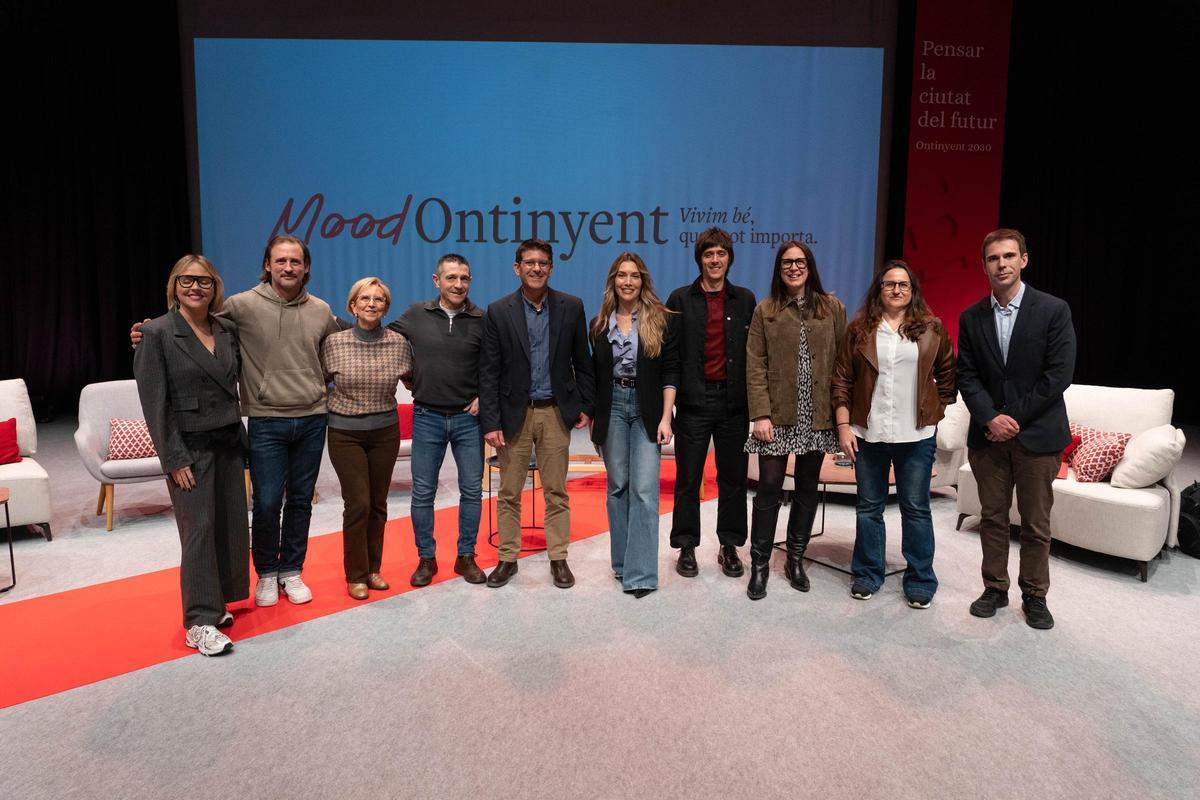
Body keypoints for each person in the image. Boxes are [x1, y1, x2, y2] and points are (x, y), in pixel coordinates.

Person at [132, 235, 341, 606]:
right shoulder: (241, 306)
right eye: (280, 261)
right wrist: (149, 332)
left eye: (295, 261)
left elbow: (338, 350)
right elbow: (192, 325)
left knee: (301, 502)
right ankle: (267, 572)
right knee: (265, 503)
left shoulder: (322, 311)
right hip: (265, 420)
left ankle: (292, 570)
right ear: (267, 265)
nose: (288, 267)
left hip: (311, 419)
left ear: (306, 267)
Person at [957, 228, 1075, 630]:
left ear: (1024, 259)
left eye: (1009, 256)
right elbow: (967, 375)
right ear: (984, 265)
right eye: (993, 258)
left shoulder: (1053, 310)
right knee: (992, 518)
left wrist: (1014, 419)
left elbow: (1058, 375)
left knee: (1036, 523)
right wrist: (991, 417)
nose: (1001, 264)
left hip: (1037, 438)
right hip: (988, 438)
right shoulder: (971, 317)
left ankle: (1035, 595)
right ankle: (994, 588)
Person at [133, 255, 247, 656]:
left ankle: (217, 604)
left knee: (229, 524)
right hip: (189, 449)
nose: (195, 288)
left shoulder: (227, 329)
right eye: (187, 281)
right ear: (174, 285)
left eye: (203, 281)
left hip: (228, 442)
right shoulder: (156, 333)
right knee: (197, 531)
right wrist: (173, 458)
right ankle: (198, 620)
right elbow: (155, 403)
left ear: (215, 287)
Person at [832, 260, 956, 608]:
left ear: (912, 291)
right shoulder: (859, 331)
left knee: (915, 509)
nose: (896, 289)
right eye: (889, 284)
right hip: (868, 434)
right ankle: (868, 573)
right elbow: (841, 380)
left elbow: (948, 377)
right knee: (868, 509)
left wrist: (935, 410)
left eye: (903, 284)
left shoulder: (932, 329)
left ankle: (919, 578)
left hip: (916, 437)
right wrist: (844, 426)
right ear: (879, 290)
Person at [479, 239, 595, 589]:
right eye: (529, 262)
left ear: (551, 268)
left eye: (543, 262)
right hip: (514, 415)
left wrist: (586, 406)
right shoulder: (499, 311)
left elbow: (583, 363)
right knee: (509, 492)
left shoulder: (571, 307)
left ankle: (558, 558)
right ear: (517, 268)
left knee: (556, 491)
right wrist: (491, 421)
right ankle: (508, 559)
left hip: (554, 413)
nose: (536, 268)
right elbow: (489, 371)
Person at [743, 241, 846, 600]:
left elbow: (843, 363)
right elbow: (755, 364)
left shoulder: (832, 308)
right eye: (787, 262)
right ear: (778, 268)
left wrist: (842, 415)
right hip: (778, 414)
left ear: (809, 265)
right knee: (770, 485)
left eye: (800, 261)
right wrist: (760, 413)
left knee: (806, 486)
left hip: (818, 414)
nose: (794, 267)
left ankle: (796, 558)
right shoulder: (765, 309)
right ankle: (759, 564)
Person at [388, 254, 487, 586]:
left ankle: (466, 557)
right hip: (427, 416)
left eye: (464, 278)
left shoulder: (481, 319)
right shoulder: (417, 314)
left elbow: (496, 365)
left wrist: (484, 397)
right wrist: (406, 373)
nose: (458, 284)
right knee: (423, 493)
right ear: (436, 280)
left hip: (468, 420)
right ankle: (426, 559)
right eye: (451, 278)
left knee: (472, 491)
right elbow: (385, 341)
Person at [664, 227, 756, 579]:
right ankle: (686, 546)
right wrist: (668, 410)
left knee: (732, 478)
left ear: (729, 258)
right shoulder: (680, 299)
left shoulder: (745, 300)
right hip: (692, 405)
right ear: (699, 259)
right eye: (708, 254)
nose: (715, 260)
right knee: (688, 478)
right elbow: (671, 357)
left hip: (734, 404)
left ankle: (729, 546)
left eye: (721, 253)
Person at [589, 253, 677, 598]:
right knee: (618, 488)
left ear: (643, 281)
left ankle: (641, 574)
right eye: (622, 275)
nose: (628, 281)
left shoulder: (660, 320)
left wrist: (667, 416)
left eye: (635, 275)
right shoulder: (598, 324)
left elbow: (671, 372)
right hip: (612, 407)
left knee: (643, 490)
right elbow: (595, 376)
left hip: (647, 409)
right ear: (613, 280)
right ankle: (623, 563)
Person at [321, 277, 412, 600]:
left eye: (379, 300)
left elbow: (414, 381)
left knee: (378, 503)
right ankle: (356, 574)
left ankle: (374, 569)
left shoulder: (399, 343)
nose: (372, 304)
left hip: (384, 432)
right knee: (357, 503)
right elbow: (318, 382)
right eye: (365, 299)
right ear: (352, 306)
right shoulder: (334, 343)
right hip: (346, 433)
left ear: (386, 307)